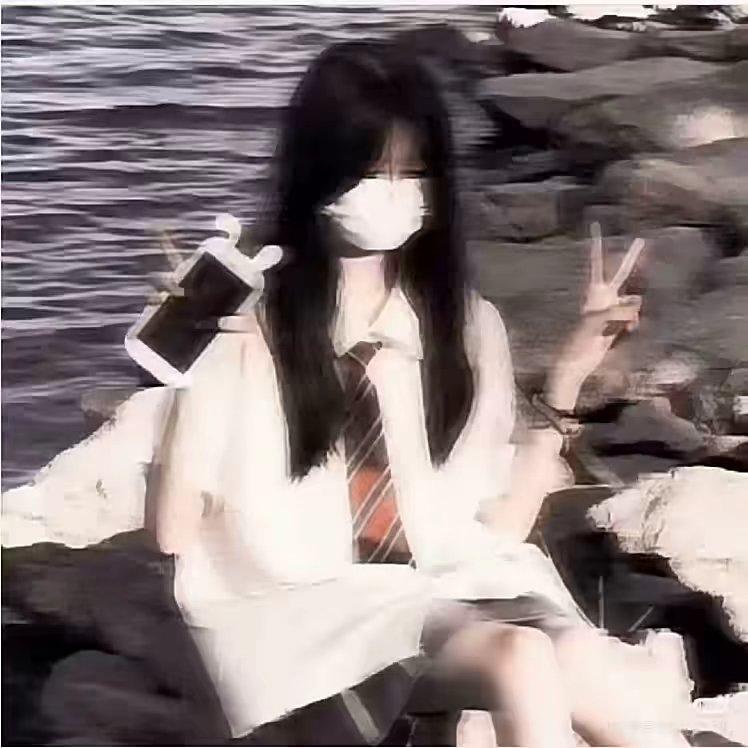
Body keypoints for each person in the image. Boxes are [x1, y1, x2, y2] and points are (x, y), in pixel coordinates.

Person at [148, 39, 689, 747]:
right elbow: (173, 533)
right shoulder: (251, 332)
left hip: (439, 590)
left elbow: (497, 528)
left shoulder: (463, 329)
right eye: (371, 172)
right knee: (521, 656)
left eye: (413, 173)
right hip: (299, 618)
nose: (394, 192)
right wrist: (191, 361)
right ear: (320, 175)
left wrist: (568, 375)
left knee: (580, 656)